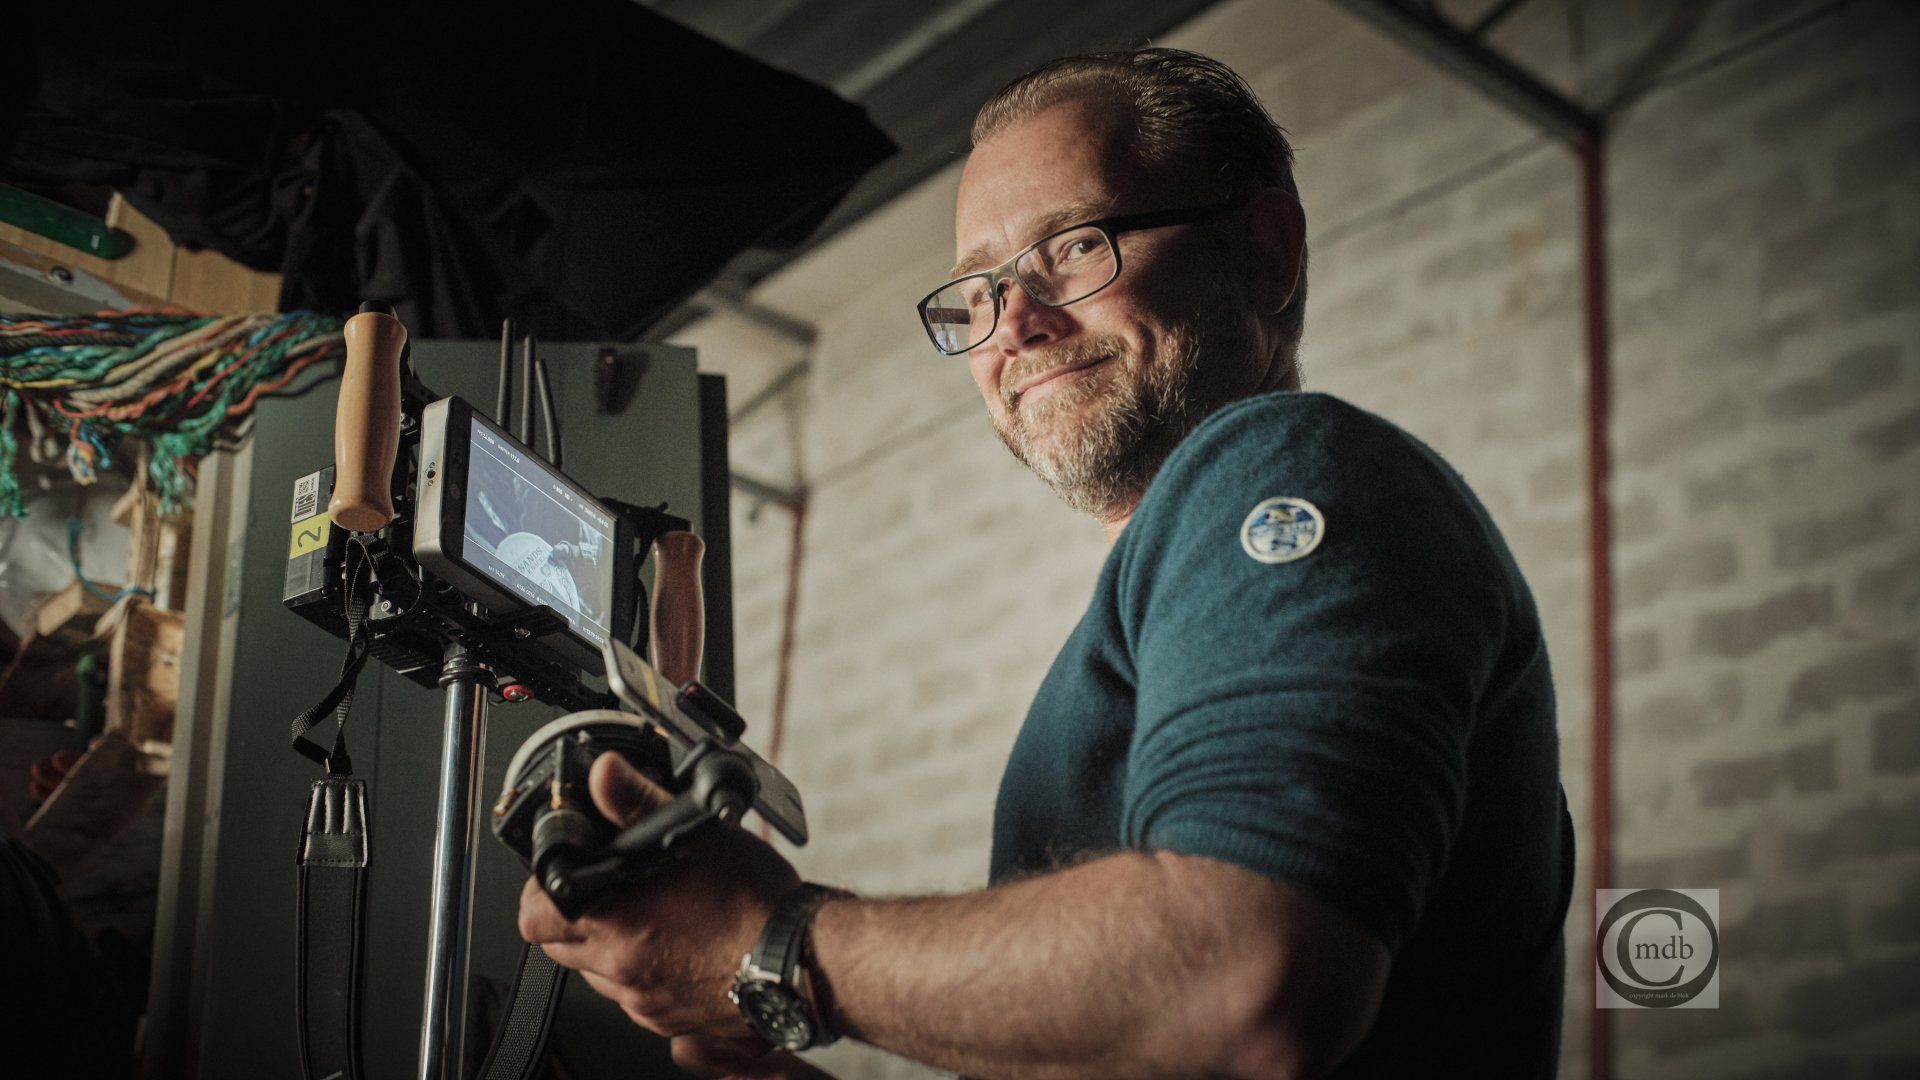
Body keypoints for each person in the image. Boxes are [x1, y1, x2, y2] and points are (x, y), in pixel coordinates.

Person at [519, 48, 1574, 1079]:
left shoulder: (1278, 461)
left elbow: (1243, 981)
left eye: (1070, 246)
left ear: (1264, 252)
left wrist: (776, 943)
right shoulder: (1152, 603)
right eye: (975, 291)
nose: (1013, 324)